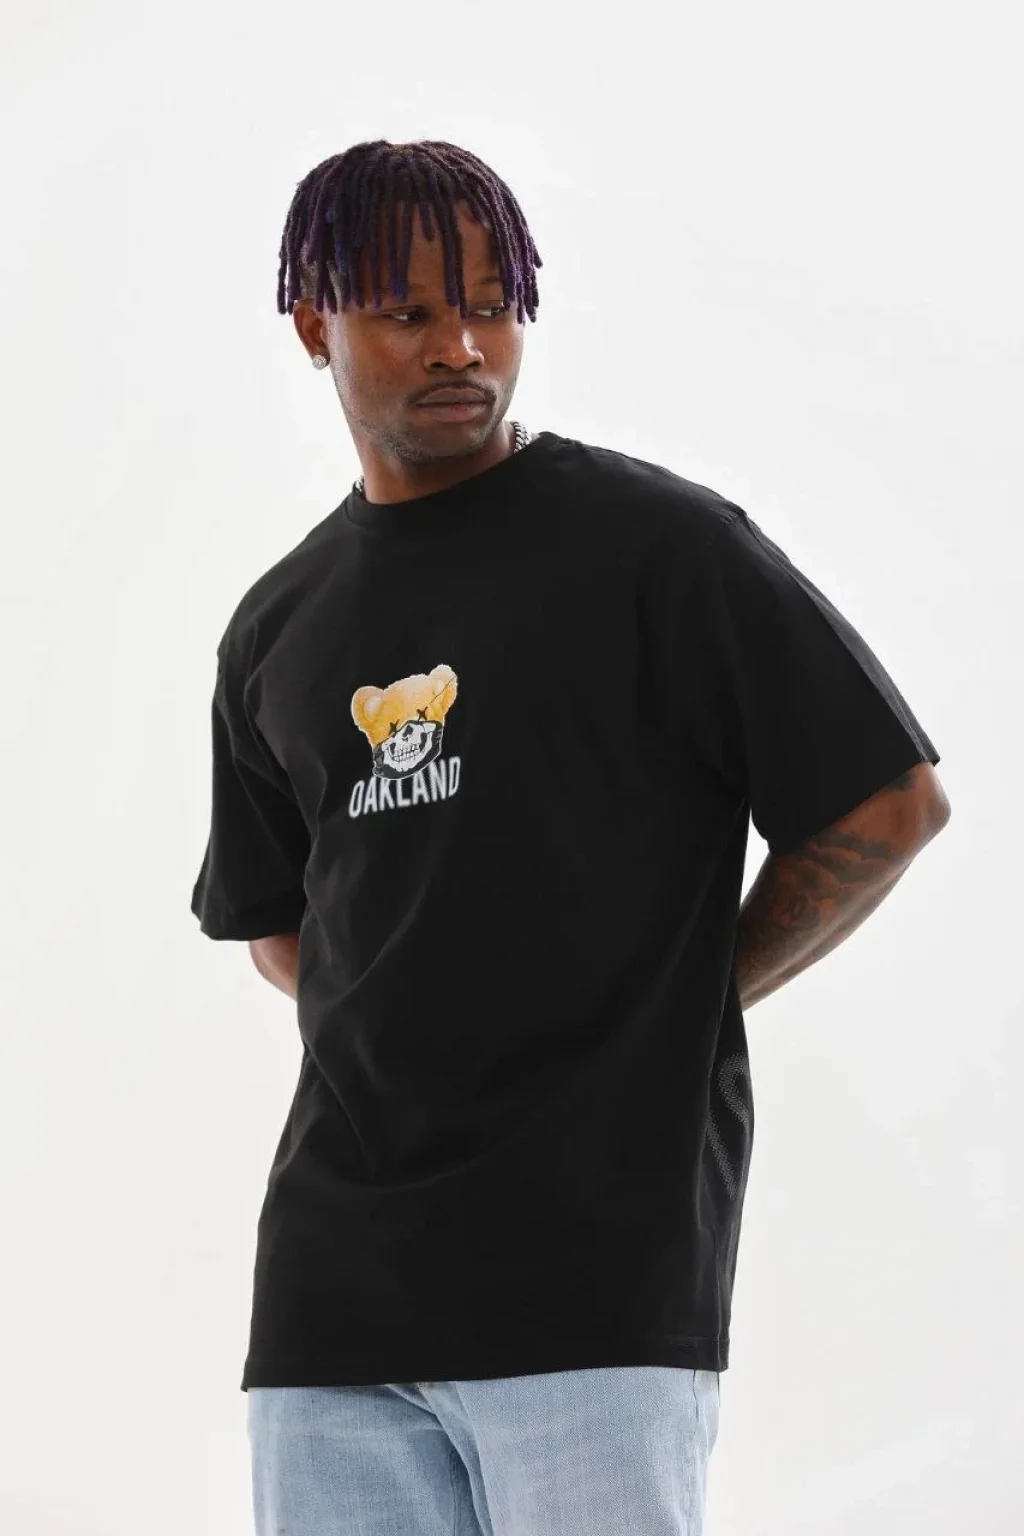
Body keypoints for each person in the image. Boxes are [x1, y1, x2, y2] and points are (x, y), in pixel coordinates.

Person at [190, 138, 951, 1536]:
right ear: (313, 324)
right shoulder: (278, 625)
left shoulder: (660, 549)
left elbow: (887, 803)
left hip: (593, 1276)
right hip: (331, 1299)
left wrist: (682, 997)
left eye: (494, 307)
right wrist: (414, 1016)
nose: (463, 348)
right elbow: (280, 925)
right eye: (410, 313)